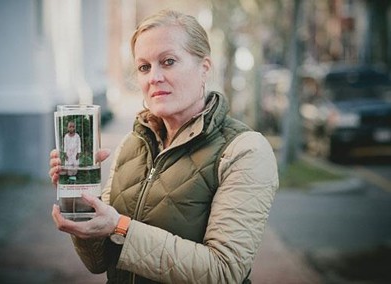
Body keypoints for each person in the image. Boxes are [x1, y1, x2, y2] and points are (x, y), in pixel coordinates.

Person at [49, 9, 278, 283]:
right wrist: (82, 202)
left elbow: (224, 271)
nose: (153, 77)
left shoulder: (244, 150)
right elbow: (98, 262)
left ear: (204, 68)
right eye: (144, 67)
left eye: (168, 62)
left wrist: (120, 227)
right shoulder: (131, 144)